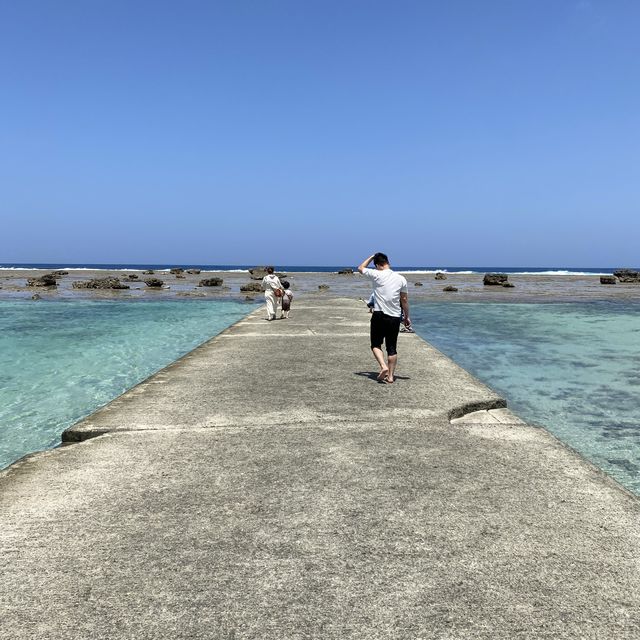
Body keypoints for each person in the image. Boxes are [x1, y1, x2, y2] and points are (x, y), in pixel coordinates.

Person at [358, 252, 410, 384]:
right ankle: (391, 376)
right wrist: (406, 317)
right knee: (392, 347)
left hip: (379, 315)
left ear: (377, 265)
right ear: (388, 263)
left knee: (375, 344)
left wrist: (370, 256)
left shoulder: (376, 274)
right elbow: (404, 300)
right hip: (394, 316)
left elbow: (360, 268)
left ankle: (383, 366)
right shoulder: (401, 278)